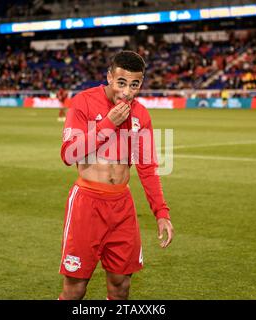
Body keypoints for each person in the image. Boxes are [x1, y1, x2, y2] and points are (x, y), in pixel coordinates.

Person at [58, 51, 174, 300]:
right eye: (121, 83)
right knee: (75, 288)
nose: (127, 92)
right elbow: (69, 154)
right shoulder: (84, 102)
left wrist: (161, 212)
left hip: (121, 207)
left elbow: (147, 168)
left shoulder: (141, 114)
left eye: (135, 85)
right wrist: (107, 124)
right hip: (86, 203)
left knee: (120, 286)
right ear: (109, 77)